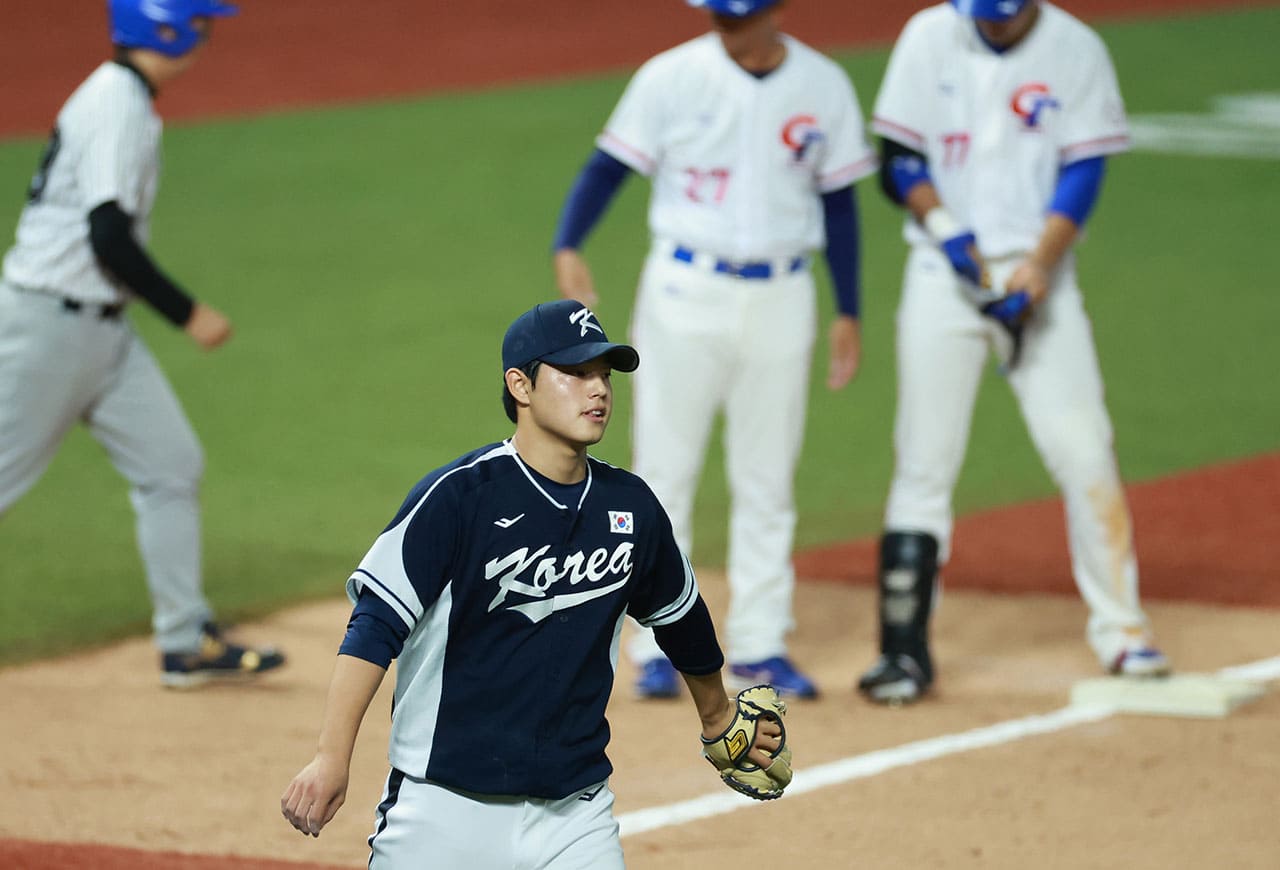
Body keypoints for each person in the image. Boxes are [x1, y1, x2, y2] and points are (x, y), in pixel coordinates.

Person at [280, 300, 787, 867]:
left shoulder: (630, 507)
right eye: (576, 373)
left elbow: (680, 617)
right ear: (520, 385)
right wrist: (332, 756)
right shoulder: (460, 498)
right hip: (443, 811)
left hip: (577, 817)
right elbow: (374, 626)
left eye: (604, 375)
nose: (598, 391)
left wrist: (717, 717)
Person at [551, 0, 877, 700]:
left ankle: (760, 642)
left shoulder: (823, 85)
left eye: (739, 14)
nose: (726, 25)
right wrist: (568, 242)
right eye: (719, 14)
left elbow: (840, 204)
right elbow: (607, 168)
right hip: (684, 292)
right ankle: (656, 645)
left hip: (785, 294)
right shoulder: (670, 76)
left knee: (768, 476)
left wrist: (848, 307)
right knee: (665, 471)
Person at [855, 0, 1170, 705]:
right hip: (941, 280)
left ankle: (1123, 631)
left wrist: (1039, 265)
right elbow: (899, 159)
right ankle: (902, 652)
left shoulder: (1076, 49)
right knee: (923, 463)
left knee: (1084, 449)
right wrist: (947, 232)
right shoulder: (930, 35)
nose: (992, 23)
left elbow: (1084, 168)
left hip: (1042, 278)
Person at [0, 0, 284, 688]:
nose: (207, 34)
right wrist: (188, 313)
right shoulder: (115, 104)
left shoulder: (123, 97)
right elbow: (108, 236)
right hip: (48, 328)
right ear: (166, 28)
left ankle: (184, 640)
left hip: (102, 332)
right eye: (199, 22)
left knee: (170, 466)